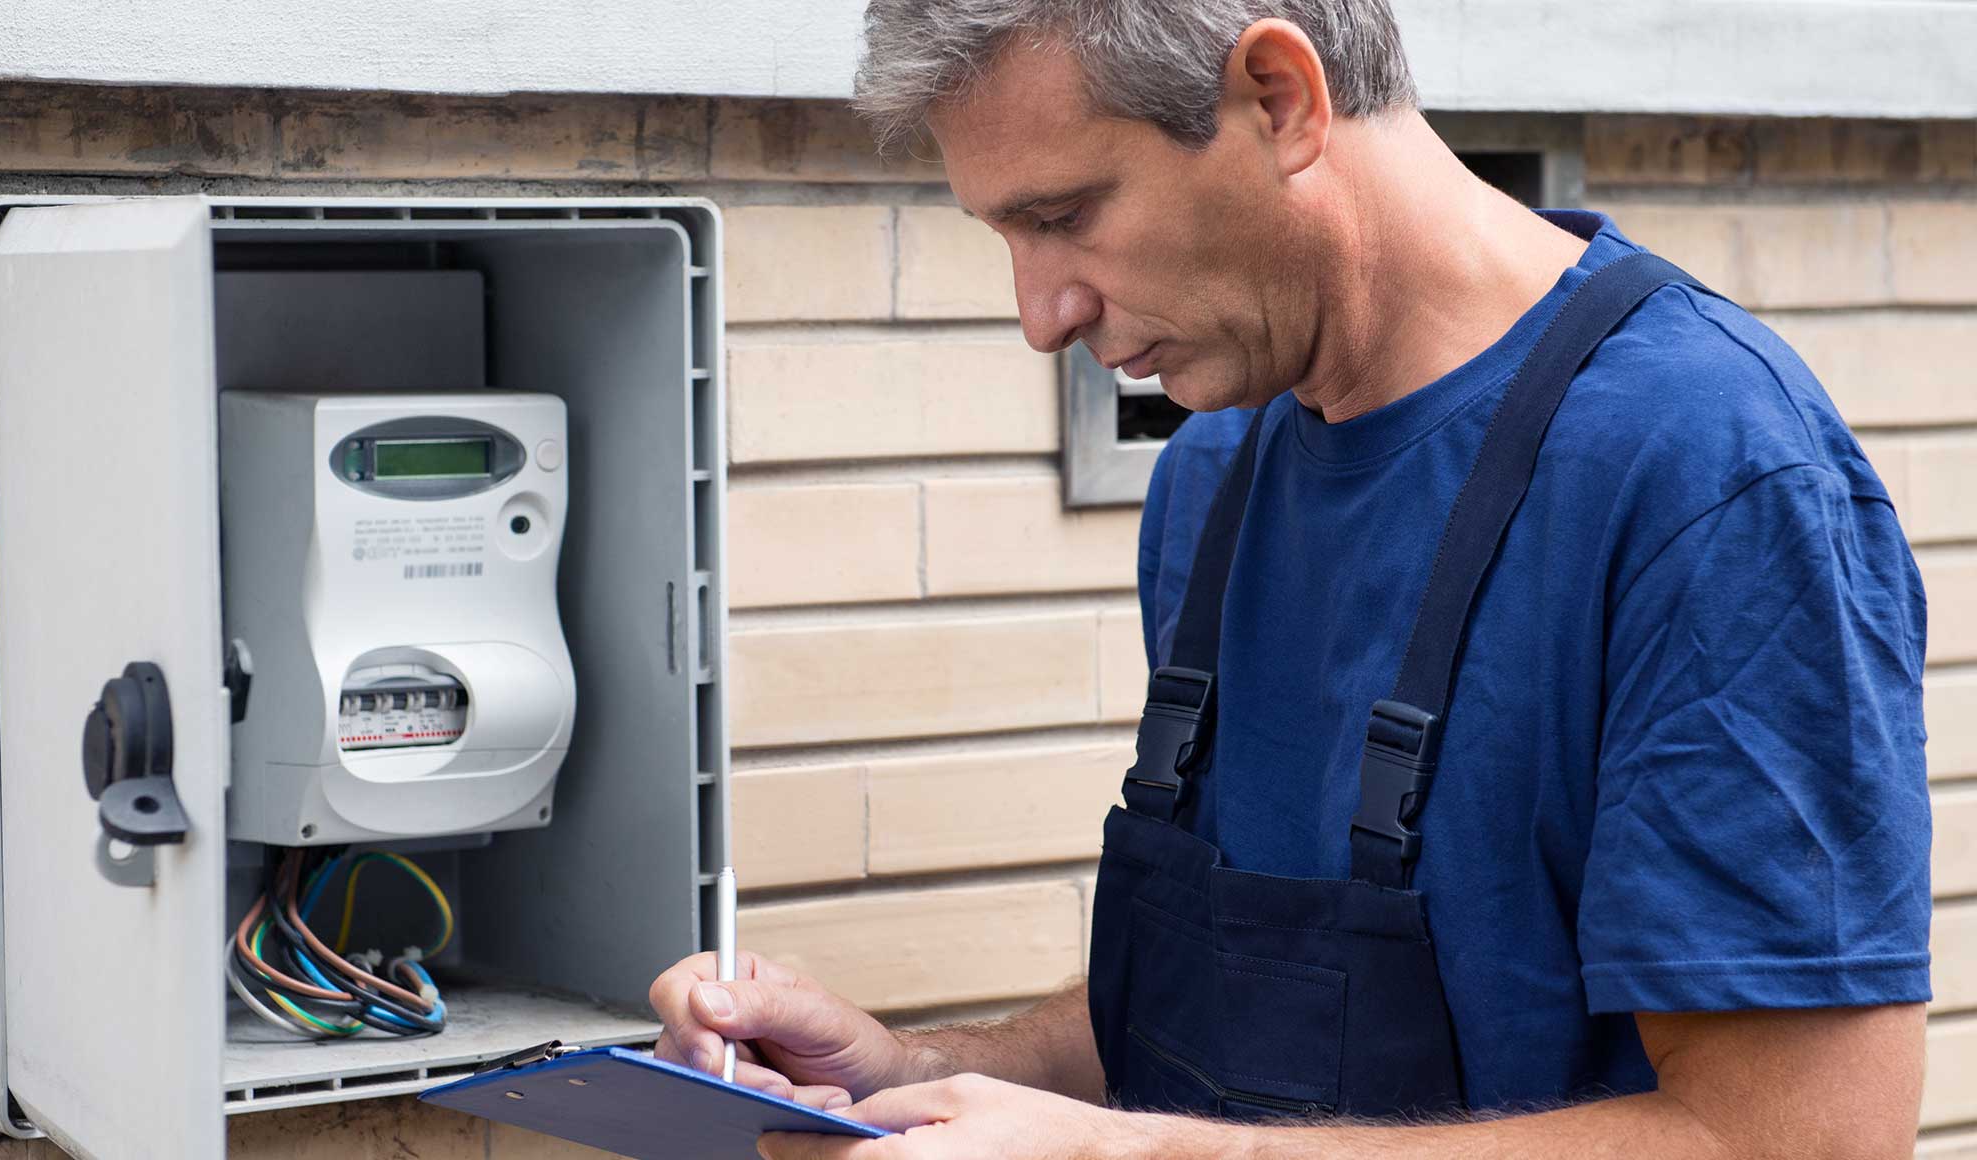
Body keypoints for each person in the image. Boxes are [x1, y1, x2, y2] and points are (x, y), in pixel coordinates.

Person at [650, 1, 1934, 1156]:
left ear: (1279, 97)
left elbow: (1800, 1138)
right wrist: (928, 1076)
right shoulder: (1213, 474)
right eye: (1005, 233)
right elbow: (1255, 1026)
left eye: (1062, 215)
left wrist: (1137, 1159)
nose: (1041, 314)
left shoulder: (1707, 473)